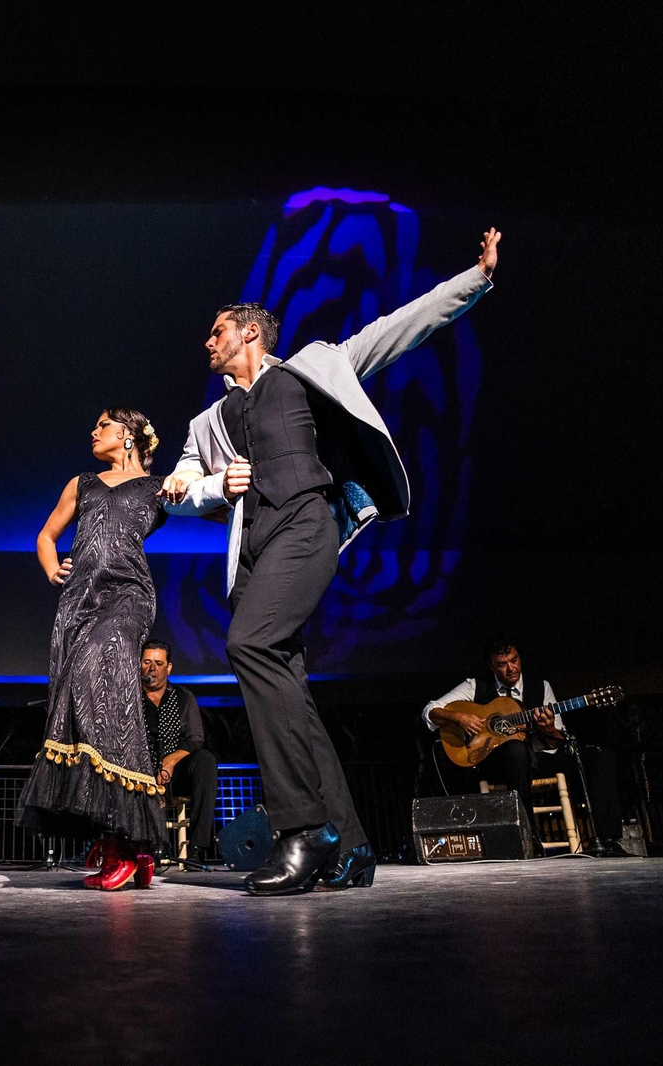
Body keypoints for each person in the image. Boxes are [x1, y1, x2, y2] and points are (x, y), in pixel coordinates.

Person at [162, 229, 502, 895]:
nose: (207, 342)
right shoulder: (207, 423)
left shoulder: (313, 367)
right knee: (291, 692)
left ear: (250, 334)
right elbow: (181, 489)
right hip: (256, 546)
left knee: (248, 644)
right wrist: (198, 487)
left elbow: (403, 325)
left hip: (307, 522)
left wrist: (478, 277)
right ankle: (352, 847)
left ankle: (302, 828)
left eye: (216, 332)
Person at [16, 407, 171, 890]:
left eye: (102, 425)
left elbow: (218, 502)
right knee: (85, 702)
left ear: (127, 435)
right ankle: (126, 841)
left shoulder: (159, 487)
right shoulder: (81, 483)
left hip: (127, 595)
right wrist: (49, 567)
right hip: (79, 599)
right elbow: (46, 535)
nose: (93, 431)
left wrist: (206, 483)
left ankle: (124, 840)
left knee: (94, 673)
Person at [424, 639, 626, 853]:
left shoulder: (541, 687)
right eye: (502, 664)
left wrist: (548, 729)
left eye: (514, 660)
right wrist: (459, 717)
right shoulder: (476, 686)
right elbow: (430, 710)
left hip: (539, 757)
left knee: (599, 754)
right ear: (492, 666)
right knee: (515, 750)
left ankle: (609, 839)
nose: (511, 668)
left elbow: (556, 740)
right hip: (498, 762)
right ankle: (528, 837)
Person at [139, 640, 218, 864]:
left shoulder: (183, 697)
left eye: (158, 663)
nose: (152, 668)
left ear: (169, 667)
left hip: (175, 773)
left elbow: (195, 740)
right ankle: (151, 845)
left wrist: (170, 762)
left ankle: (197, 847)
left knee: (205, 761)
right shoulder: (130, 698)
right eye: (146, 662)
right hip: (139, 774)